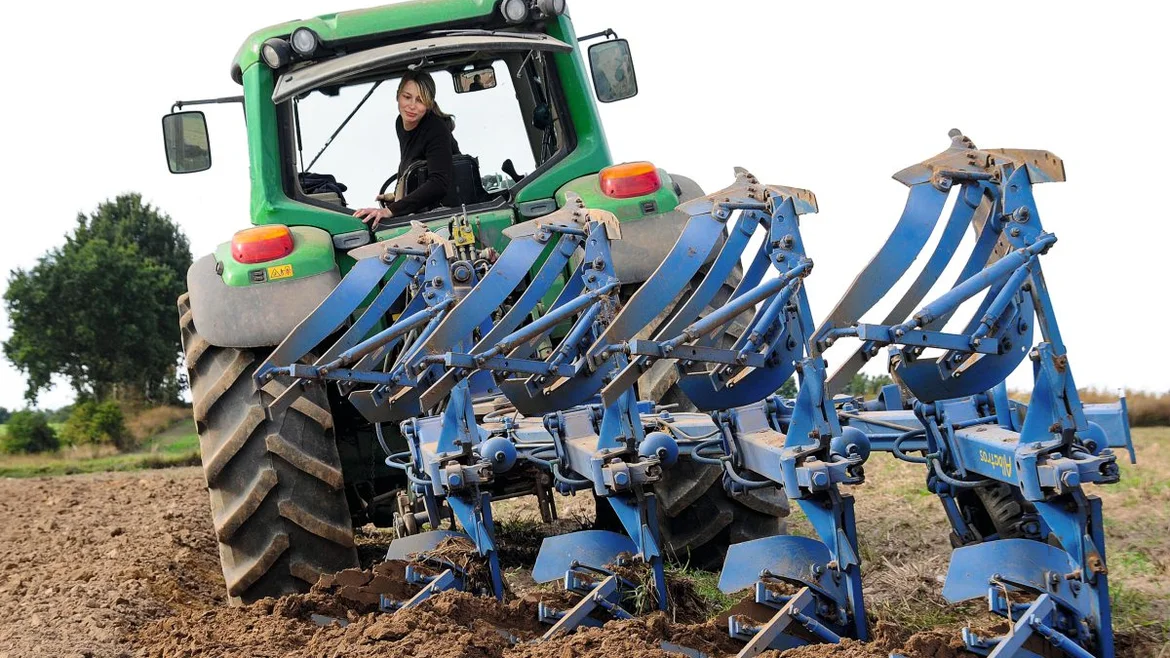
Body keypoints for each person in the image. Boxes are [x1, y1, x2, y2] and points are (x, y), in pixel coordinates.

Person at [353, 71, 459, 228]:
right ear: (397, 96)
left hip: (447, 214)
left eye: (420, 100)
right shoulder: (401, 122)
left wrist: (390, 210)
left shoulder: (436, 129)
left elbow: (439, 183)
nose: (412, 106)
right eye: (407, 97)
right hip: (423, 210)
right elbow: (411, 161)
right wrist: (399, 195)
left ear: (429, 104)